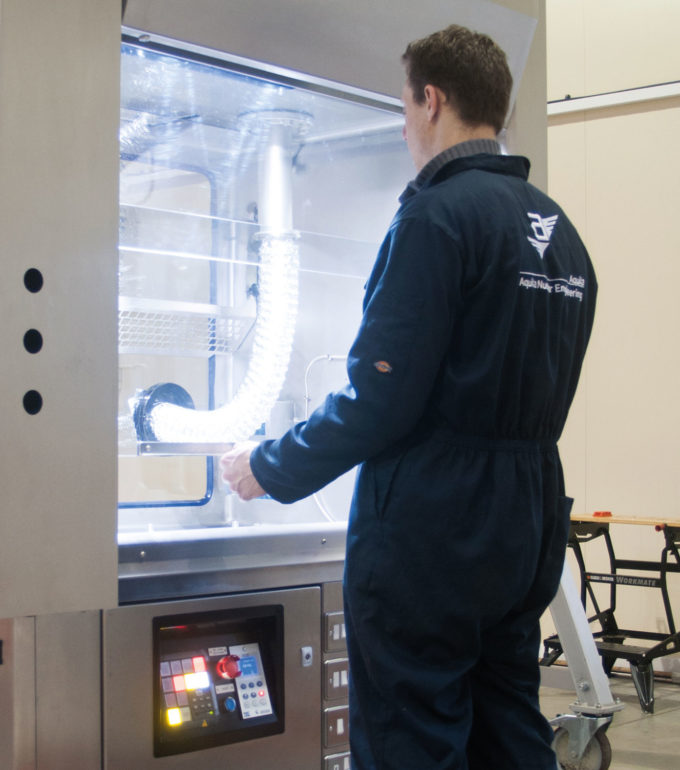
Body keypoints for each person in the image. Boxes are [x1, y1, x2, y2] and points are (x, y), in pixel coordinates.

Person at [221, 25, 596, 770]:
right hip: (526, 519)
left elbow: (378, 397)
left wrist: (270, 467)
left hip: (436, 530)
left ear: (431, 100)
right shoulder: (562, 240)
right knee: (509, 723)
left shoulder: (436, 218)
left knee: (413, 738)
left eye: (402, 111)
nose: (402, 130)